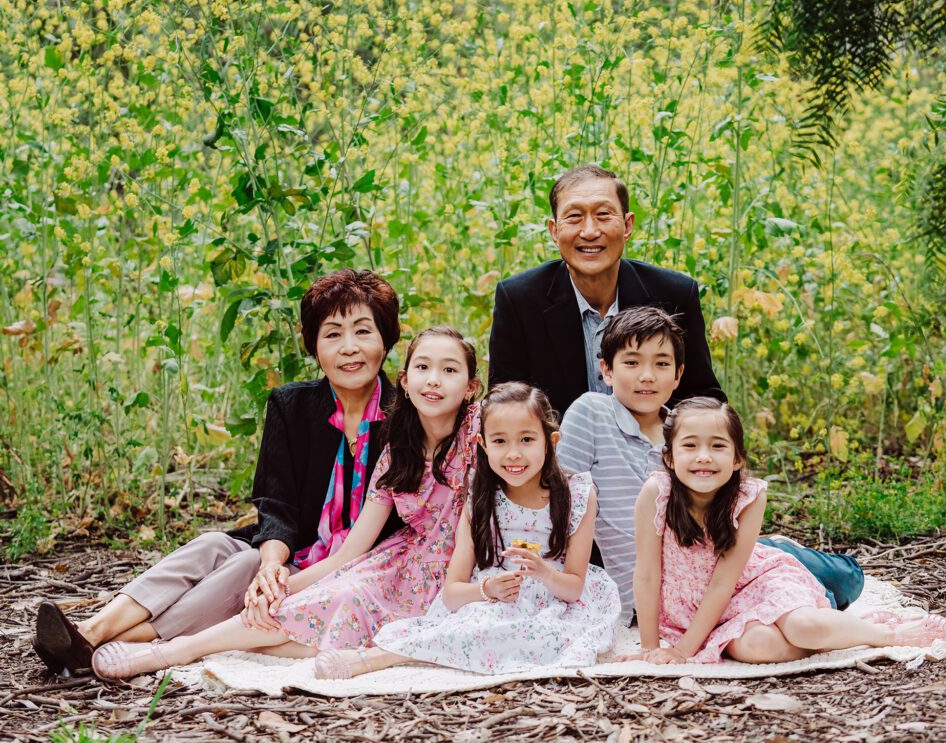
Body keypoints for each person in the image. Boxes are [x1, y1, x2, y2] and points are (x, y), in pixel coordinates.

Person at [32, 269, 405, 675]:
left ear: (385, 340)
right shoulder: (292, 405)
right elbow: (275, 503)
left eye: (363, 332)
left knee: (245, 567)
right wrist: (271, 564)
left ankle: (124, 642)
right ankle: (91, 628)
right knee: (214, 544)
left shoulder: (406, 416)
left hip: (348, 569)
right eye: (332, 334)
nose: (349, 348)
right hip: (288, 549)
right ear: (314, 346)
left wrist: (266, 571)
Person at [89, 326, 482, 679]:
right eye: (423, 368)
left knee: (335, 611)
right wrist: (283, 590)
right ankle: (167, 650)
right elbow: (351, 552)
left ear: (470, 387)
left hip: (463, 566)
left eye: (449, 371)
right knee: (313, 599)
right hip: (401, 561)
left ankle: (174, 649)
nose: (434, 381)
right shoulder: (398, 450)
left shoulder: (480, 433)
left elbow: (527, 446)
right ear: (406, 381)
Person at [557, 306, 864, 624]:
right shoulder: (592, 413)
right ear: (606, 370)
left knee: (849, 581)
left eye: (661, 364)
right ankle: (797, 583)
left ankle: (774, 551)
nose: (646, 376)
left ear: (678, 375)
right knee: (816, 602)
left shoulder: (688, 430)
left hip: (720, 555)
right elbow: (560, 499)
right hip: (662, 589)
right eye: (632, 362)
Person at [311, 382, 620, 680]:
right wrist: (488, 591)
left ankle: (382, 657)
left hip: (555, 605)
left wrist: (544, 574)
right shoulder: (480, 496)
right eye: (500, 441)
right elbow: (453, 591)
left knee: (536, 636)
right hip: (492, 601)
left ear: (550, 441)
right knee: (478, 623)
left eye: (526, 440)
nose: (513, 454)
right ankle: (381, 655)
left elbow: (575, 588)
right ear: (483, 445)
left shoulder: (577, 495)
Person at [624, 397, 946, 664]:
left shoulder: (749, 496)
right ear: (668, 457)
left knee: (804, 626)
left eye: (718, 446)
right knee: (759, 647)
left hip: (753, 583)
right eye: (690, 446)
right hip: (695, 610)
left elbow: (725, 579)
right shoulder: (657, 493)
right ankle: (836, 636)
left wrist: (682, 651)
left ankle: (880, 632)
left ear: (738, 458)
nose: (704, 457)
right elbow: (648, 573)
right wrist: (652, 648)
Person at [488, 164, 724, 420]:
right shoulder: (519, 300)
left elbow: (702, 398)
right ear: (555, 231)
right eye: (574, 217)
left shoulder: (674, 295)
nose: (590, 231)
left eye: (603, 214)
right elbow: (504, 404)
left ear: (627, 225)